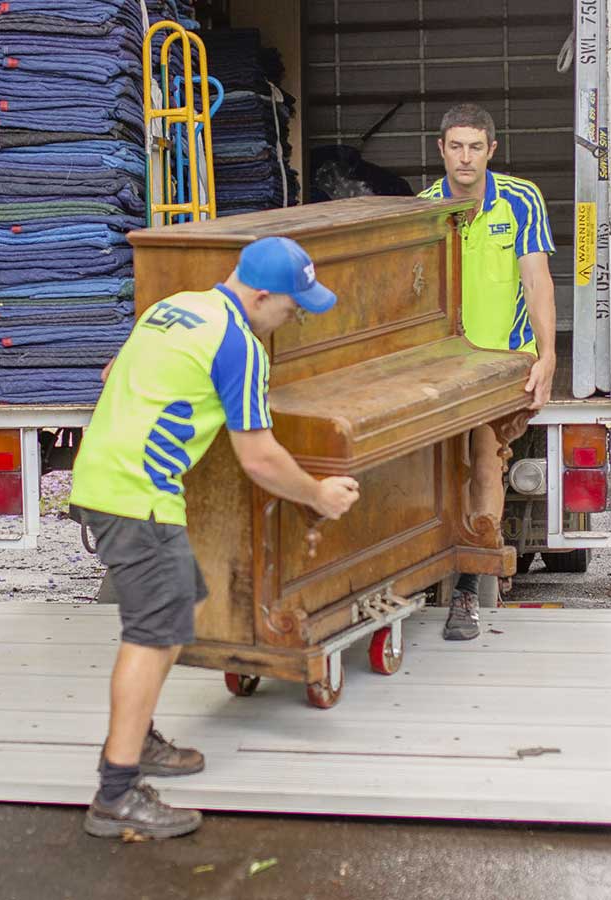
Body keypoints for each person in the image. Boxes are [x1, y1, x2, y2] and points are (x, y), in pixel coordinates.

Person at [69, 236, 360, 840]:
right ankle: (115, 793)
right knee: (154, 633)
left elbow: (113, 371)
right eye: (292, 305)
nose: (296, 316)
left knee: (185, 606)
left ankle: (136, 735)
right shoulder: (239, 344)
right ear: (259, 294)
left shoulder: (176, 308)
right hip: (136, 494)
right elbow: (259, 459)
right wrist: (319, 495)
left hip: (107, 475)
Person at [418, 102, 556, 641]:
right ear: (441, 149)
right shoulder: (424, 207)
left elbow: (537, 281)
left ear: (491, 151)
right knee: (429, 472)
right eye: (456, 146)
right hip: (443, 364)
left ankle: (470, 594)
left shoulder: (520, 199)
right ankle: (424, 575)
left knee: (483, 463)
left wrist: (546, 357)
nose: (465, 157)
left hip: (499, 362)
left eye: (476, 146)